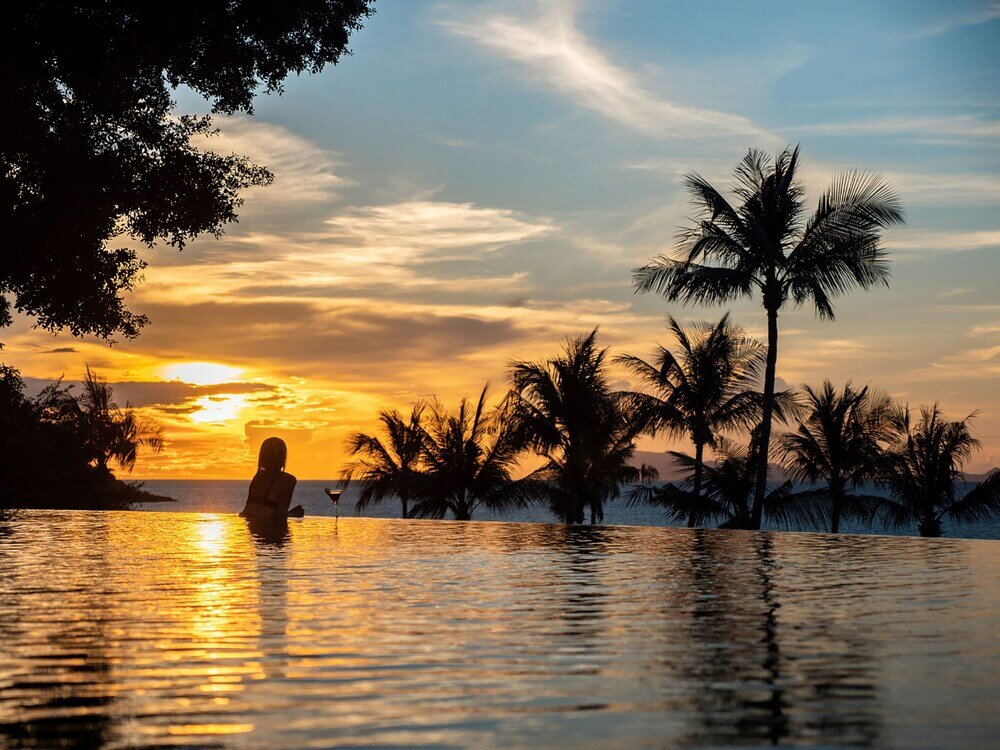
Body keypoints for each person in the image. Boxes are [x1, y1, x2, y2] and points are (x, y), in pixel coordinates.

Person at [240, 437, 304, 522]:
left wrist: (290, 514)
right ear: (282, 457)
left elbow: (255, 511)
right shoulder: (288, 480)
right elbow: (279, 515)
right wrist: (293, 515)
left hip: (251, 530)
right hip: (267, 530)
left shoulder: (257, 477)